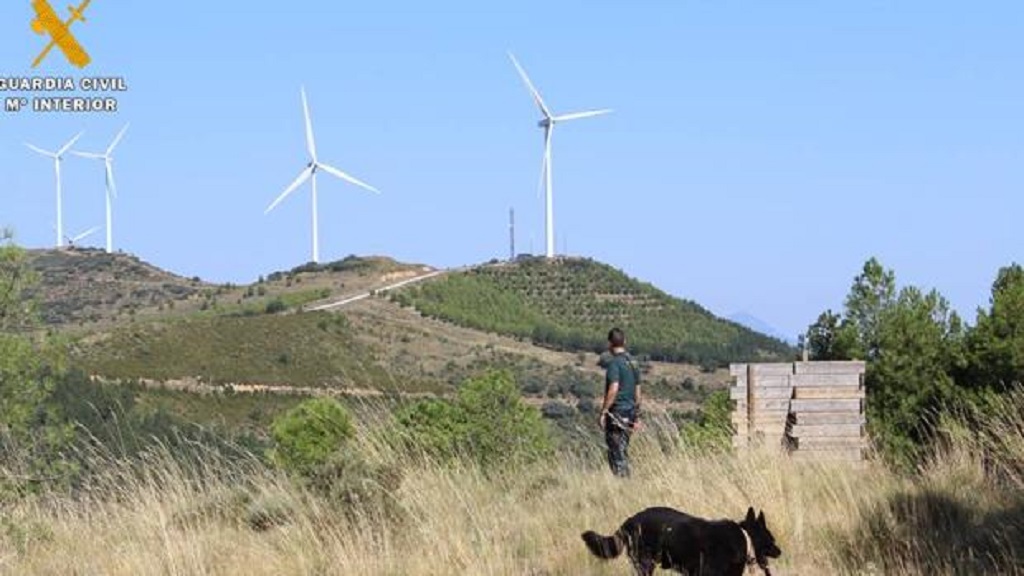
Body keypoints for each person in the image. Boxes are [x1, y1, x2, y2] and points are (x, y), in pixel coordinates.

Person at [598, 327, 641, 477]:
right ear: (625, 341)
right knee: (623, 449)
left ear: (609, 344)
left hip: (617, 412)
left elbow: (614, 388)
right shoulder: (633, 363)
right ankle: (626, 480)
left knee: (615, 452)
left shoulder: (614, 364)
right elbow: (638, 391)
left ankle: (622, 482)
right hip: (630, 411)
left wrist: (604, 411)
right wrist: (636, 415)